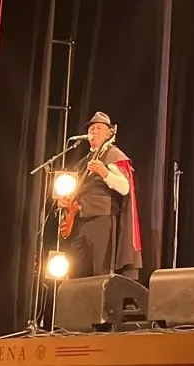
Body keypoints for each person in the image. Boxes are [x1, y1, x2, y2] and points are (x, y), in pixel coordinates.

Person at [62, 111, 142, 278]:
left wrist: (104, 172)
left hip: (102, 220)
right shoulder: (84, 162)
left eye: (99, 128)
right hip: (82, 222)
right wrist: (65, 201)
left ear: (109, 133)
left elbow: (125, 187)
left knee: (101, 272)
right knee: (76, 272)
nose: (94, 131)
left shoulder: (112, 154)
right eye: (91, 128)